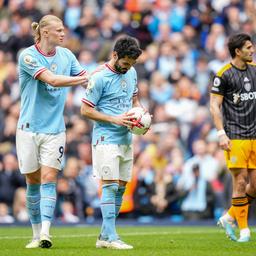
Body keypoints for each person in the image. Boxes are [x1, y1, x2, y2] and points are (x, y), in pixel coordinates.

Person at [16, 15, 88, 249]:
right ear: (45, 32)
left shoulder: (67, 55)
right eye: (58, 30)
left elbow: (84, 80)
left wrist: (102, 76)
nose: (63, 33)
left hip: (55, 130)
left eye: (63, 30)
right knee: (32, 181)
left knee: (49, 178)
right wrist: (84, 79)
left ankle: (46, 233)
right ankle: (35, 234)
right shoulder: (27, 56)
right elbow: (53, 80)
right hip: (28, 128)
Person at [80, 36, 144, 249]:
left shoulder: (132, 72)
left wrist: (142, 116)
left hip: (126, 138)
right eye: (126, 63)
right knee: (110, 184)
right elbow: (85, 109)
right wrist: (115, 119)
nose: (128, 68)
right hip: (105, 138)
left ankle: (104, 236)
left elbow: (135, 101)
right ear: (114, 55)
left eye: (132, 64)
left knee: (121, 187)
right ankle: (111, 237)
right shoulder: (99, 77)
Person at [210, 33, 256, 242]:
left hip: (255, 135)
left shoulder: (255, 70)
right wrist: (221, 133)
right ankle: (244, 230)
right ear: (238, 51)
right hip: (235, 136)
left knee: (254, 185)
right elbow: (214, 105)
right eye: (248, 47)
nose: (252, 50)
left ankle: (229, 216)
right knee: (240, 181)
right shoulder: (224, 75)